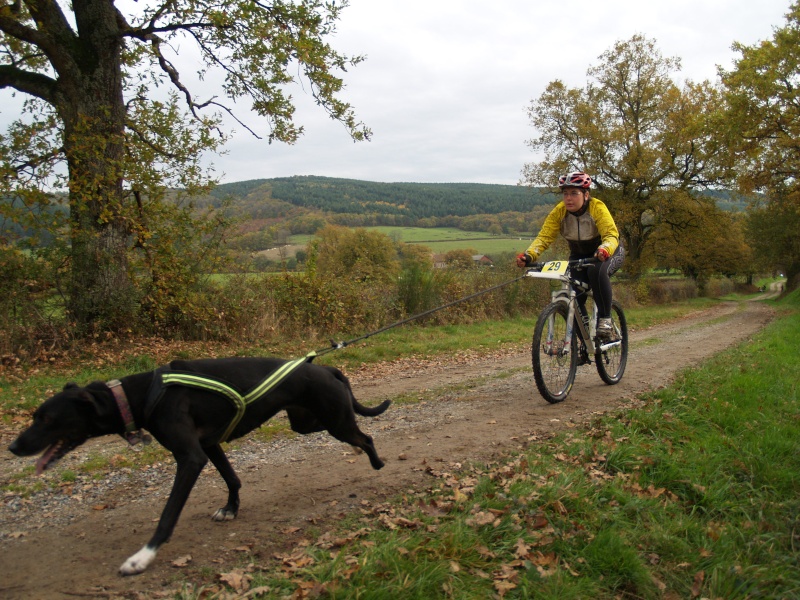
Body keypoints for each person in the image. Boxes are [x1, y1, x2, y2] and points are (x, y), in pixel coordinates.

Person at [516, 171, 624, 340]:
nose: (568, 198)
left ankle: (605, 319)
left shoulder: (597, 207)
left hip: (607, 252)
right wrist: (529, 256)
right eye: (565, 194)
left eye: (574, 193)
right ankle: (583, 344)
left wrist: (604, 249)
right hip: (579, 254)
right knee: (575, 299)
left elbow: (611, 234)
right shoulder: (559, 212)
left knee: (595, 272)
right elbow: (545, 237)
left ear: (586, 195)